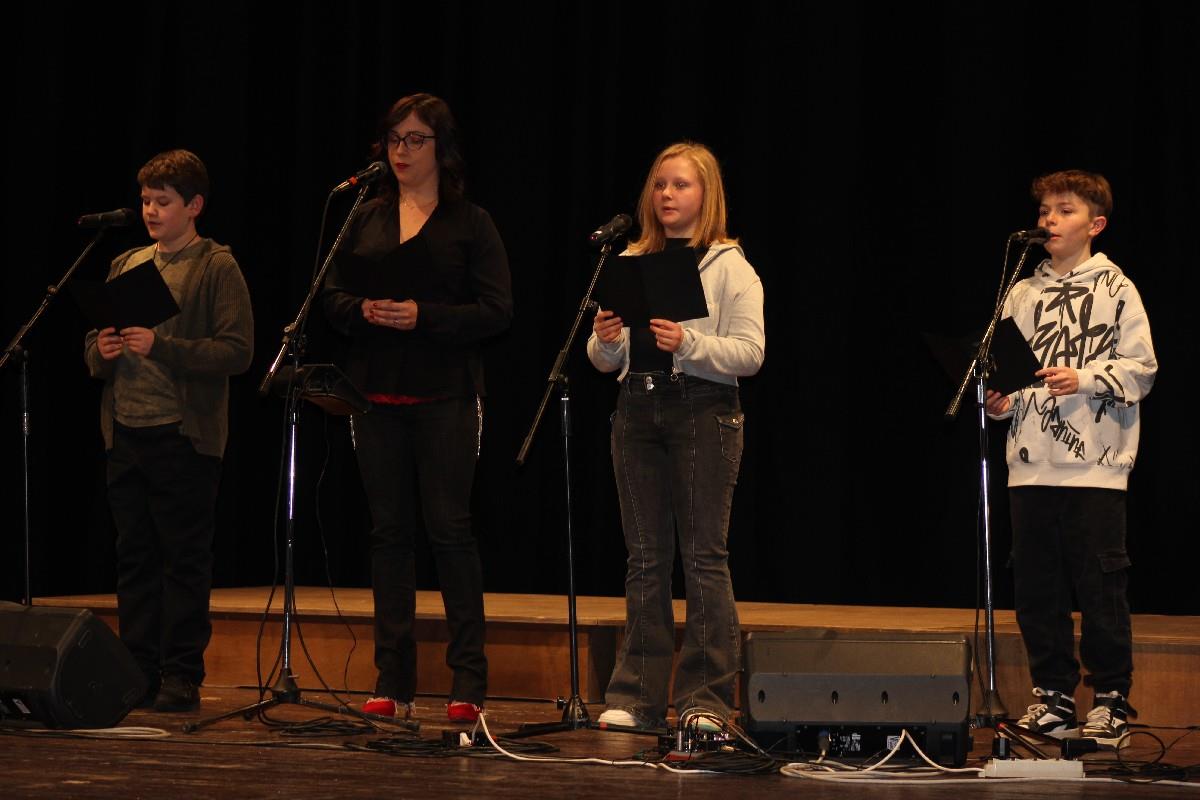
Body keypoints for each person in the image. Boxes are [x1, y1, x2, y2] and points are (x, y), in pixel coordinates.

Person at [322, 93, 512, 724]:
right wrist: (361, 310)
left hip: (446, 396)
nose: (401, 151)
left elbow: (497, 311)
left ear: (441, 148)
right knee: (388, 536)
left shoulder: (470, 223)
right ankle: (393, 681)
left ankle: (468, 682)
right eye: (394, 139)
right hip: (374, 394)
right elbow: (329, 296)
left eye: (415, 139)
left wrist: (423, 316)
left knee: (450, 532)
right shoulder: (364, 217)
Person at [588, 142, 765, 729]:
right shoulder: (630, 258)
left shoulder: (730, 265)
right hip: (636, 409)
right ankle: (636, 697)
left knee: (703, 558)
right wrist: (606, 339)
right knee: (645, 558)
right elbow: (603, 358)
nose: (666, 194)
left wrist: (689, 343)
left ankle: (705, 701)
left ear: (706, 194)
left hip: (702, 411)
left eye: (681, 184)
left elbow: (751, 354)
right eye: (660, 184)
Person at [986, 170, 1156, 748]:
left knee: (1099, 584)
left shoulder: (1117, 288)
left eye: (1064, 210)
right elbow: (1009, 372)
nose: (1049, 220)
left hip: (1095, 465)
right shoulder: (1021, 292)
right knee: (1038, 587)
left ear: (1095, 224)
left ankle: (1111, 700)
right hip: (1030, 463)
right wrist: (1001, 403)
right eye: (1044, 211)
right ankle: (1053, 696)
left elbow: (1142, 369)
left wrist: (1082, 378)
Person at [84, 149, 254, 712]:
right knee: (134, 558)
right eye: (145, 201)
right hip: (126, 431)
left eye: (163, 201)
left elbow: (237, 351)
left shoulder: (215, 267)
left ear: (194, 205)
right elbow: (93, 346)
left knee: (183, 559)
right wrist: (102, 350)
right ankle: (138, 670)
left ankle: (181, 673)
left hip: (183, 436)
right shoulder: (127, 262)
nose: (151, 211)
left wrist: (165, 346)